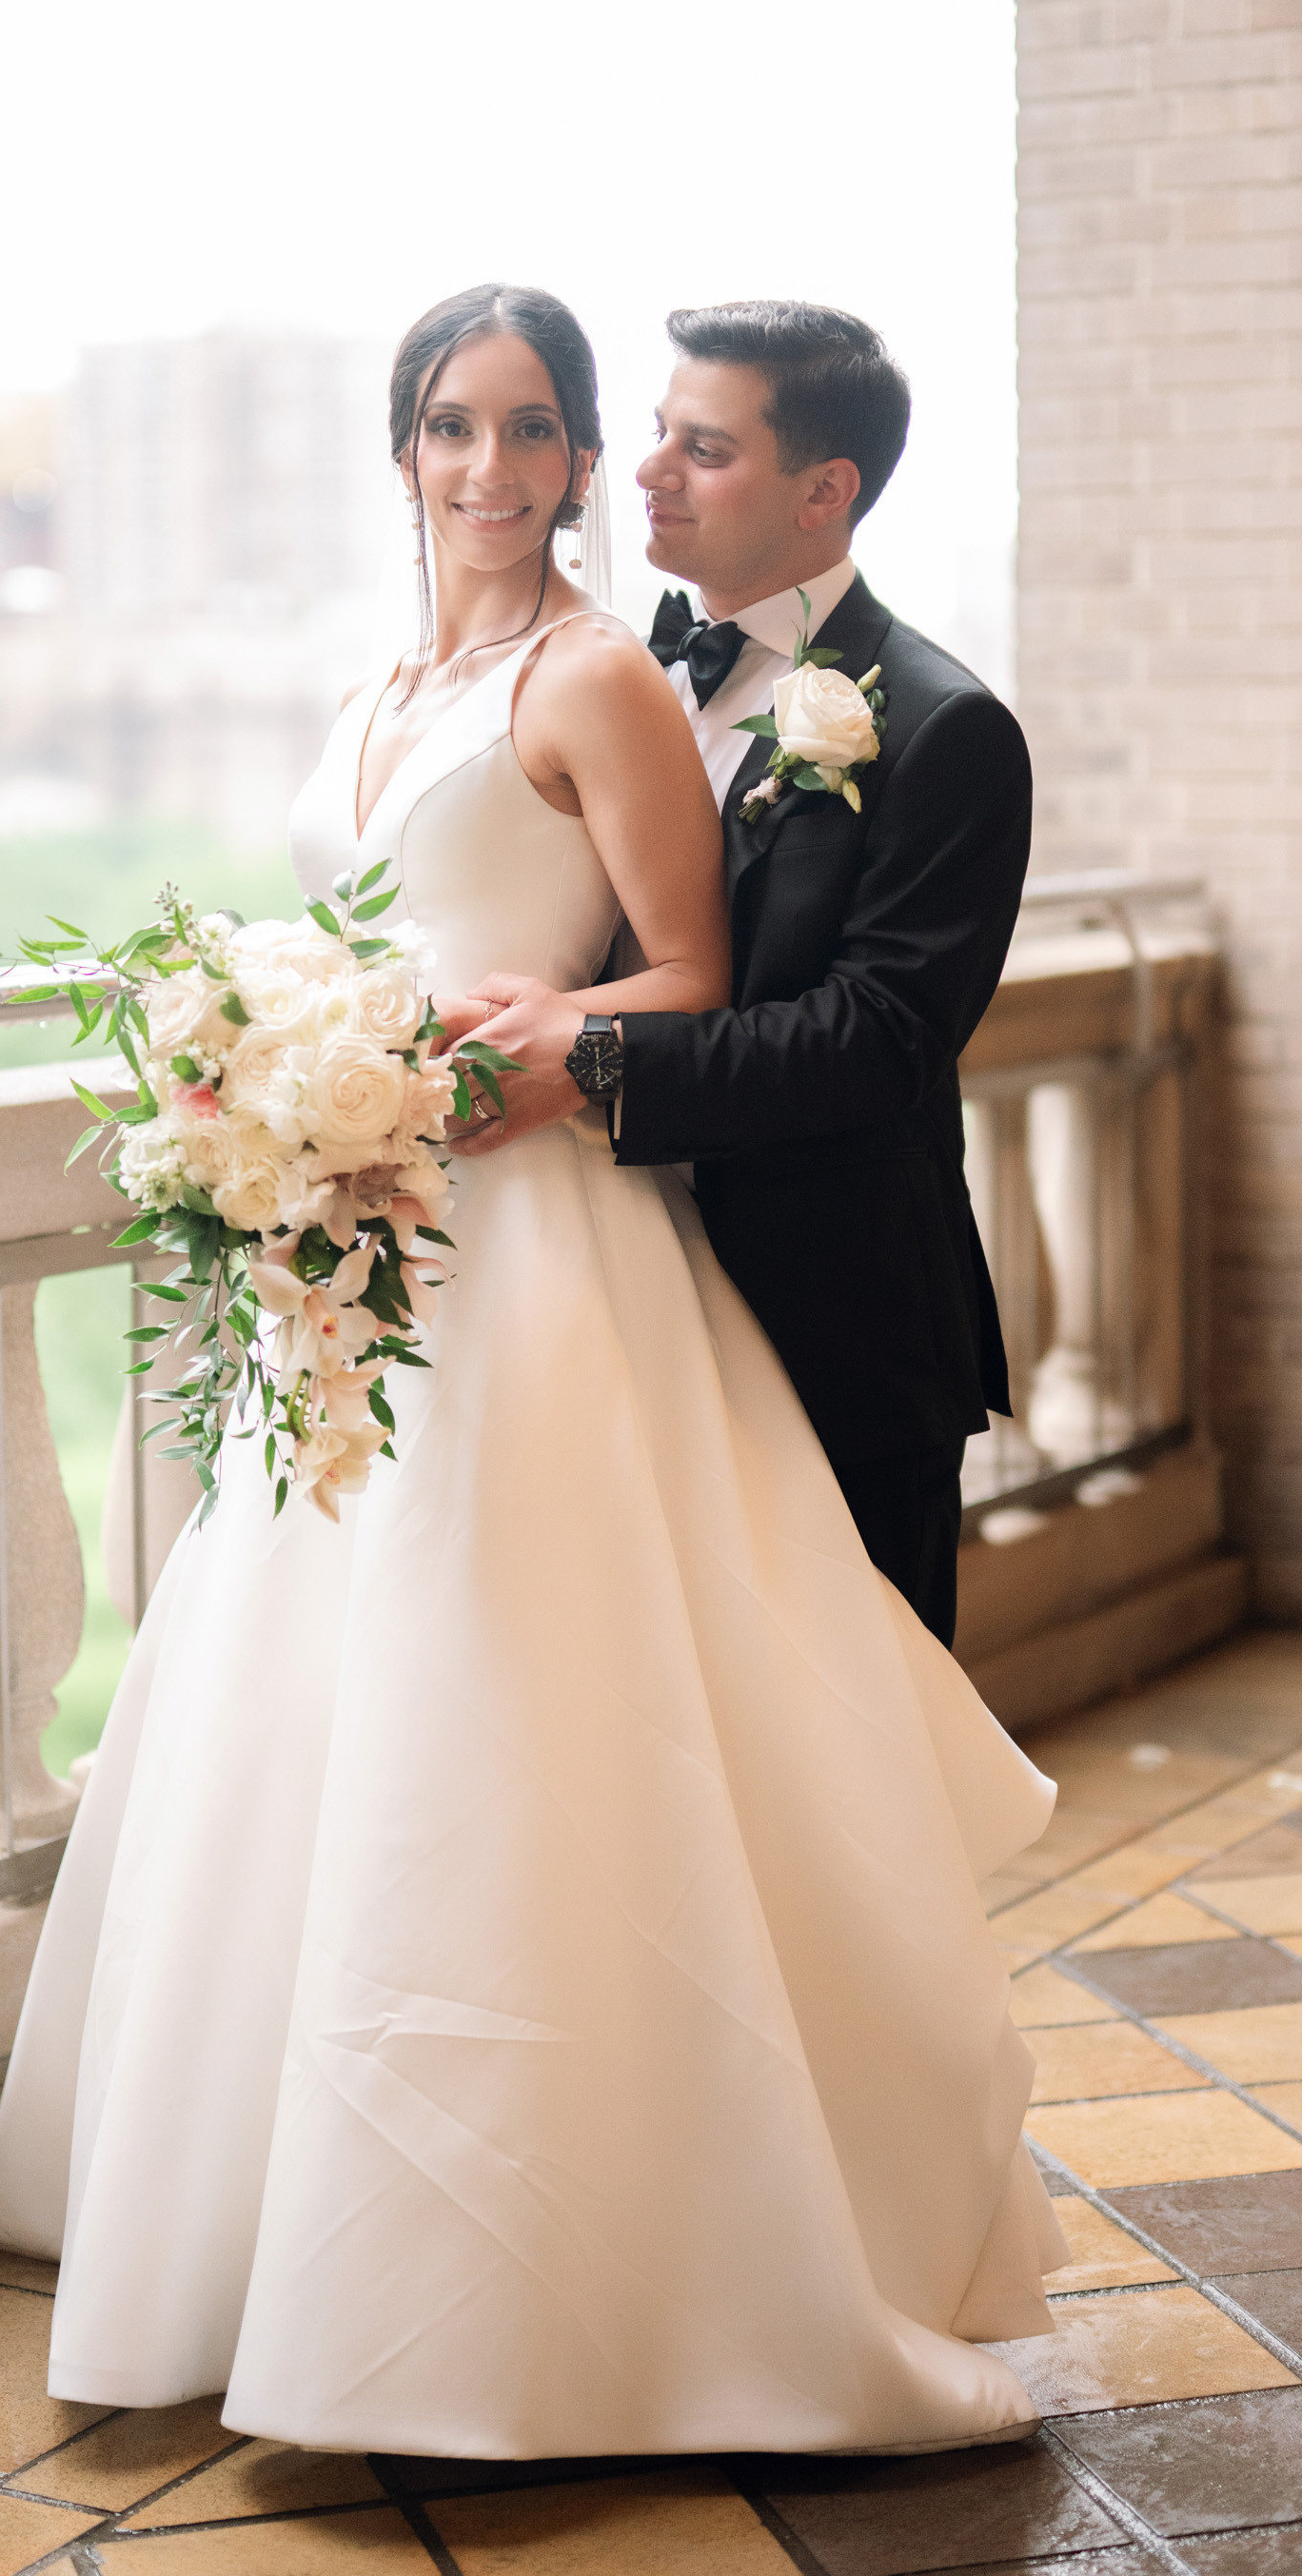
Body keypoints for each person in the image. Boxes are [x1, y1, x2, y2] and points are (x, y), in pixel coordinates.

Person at [0, 283, 1065, 2459]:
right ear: (404, 452)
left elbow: (804, 1017)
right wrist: (272, 1065)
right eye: (483, 429)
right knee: (373, 1736)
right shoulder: (524, 667)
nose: (574, 471)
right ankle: (284, 2223)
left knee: (744, 1775)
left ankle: (759, 2222)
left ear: (813, 484)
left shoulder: (913, 722)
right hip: (395, 1273)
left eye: (606, 437)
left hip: (739, 1288)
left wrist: (547, 1066)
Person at [454, 302, 1031, 1654]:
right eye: (654, 431)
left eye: (702, 448)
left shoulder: (944, 728)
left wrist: (592, 1061)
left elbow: (878, 1036)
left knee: (863, 1751)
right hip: (611, 1300)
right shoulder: (615, 677)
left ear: (825, 490)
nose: (644, 467)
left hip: (834, 1319)